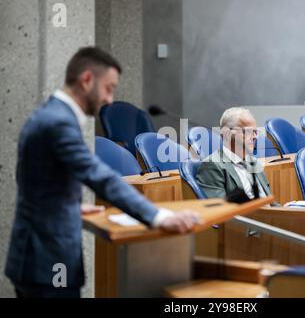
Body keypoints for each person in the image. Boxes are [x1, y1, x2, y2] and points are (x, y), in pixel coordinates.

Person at [5, 47, 199, 298]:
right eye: (109, 88)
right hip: (46, 259)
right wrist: (158, 216)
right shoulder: (58, 122)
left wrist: (65, 205)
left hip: (39, 257)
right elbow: (100, 177)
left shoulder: (49, 115)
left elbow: (30, 178)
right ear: (87, 80)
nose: (110, 99)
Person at [196, 107, 273, 200]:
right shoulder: (212, 165)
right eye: (248, 131)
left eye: (255, 132)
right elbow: (222, 209)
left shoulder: (254, 162)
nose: (254, 137)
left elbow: (272, 202)